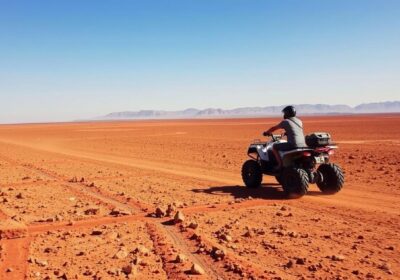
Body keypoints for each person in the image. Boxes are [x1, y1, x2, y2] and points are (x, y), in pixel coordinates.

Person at [263, 105, 306, 170]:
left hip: (293, 144)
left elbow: (274, 128)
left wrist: (267, 132)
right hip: (303, 144)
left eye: (285, 113)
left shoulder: (286, 121)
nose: (284, 114)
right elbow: (296, 130)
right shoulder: (299, 121)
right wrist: (287, 133)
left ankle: (280, 165)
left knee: (274, 147)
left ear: (287, 113)